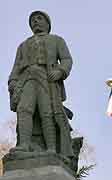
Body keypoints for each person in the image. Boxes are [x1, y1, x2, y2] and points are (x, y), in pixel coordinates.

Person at [8, 11, 74, 158]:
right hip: (27, 79)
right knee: (24, 109)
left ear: (47, 23)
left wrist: (60, 71)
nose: (35, 22)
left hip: (47, 78)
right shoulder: (23, 45)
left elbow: (67, 60)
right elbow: (16, 67)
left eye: (39, 18)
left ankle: (51, 148)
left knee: (47, 111)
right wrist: (13, 81)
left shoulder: (56, 40)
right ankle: (24, 145)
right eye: (32, 20)